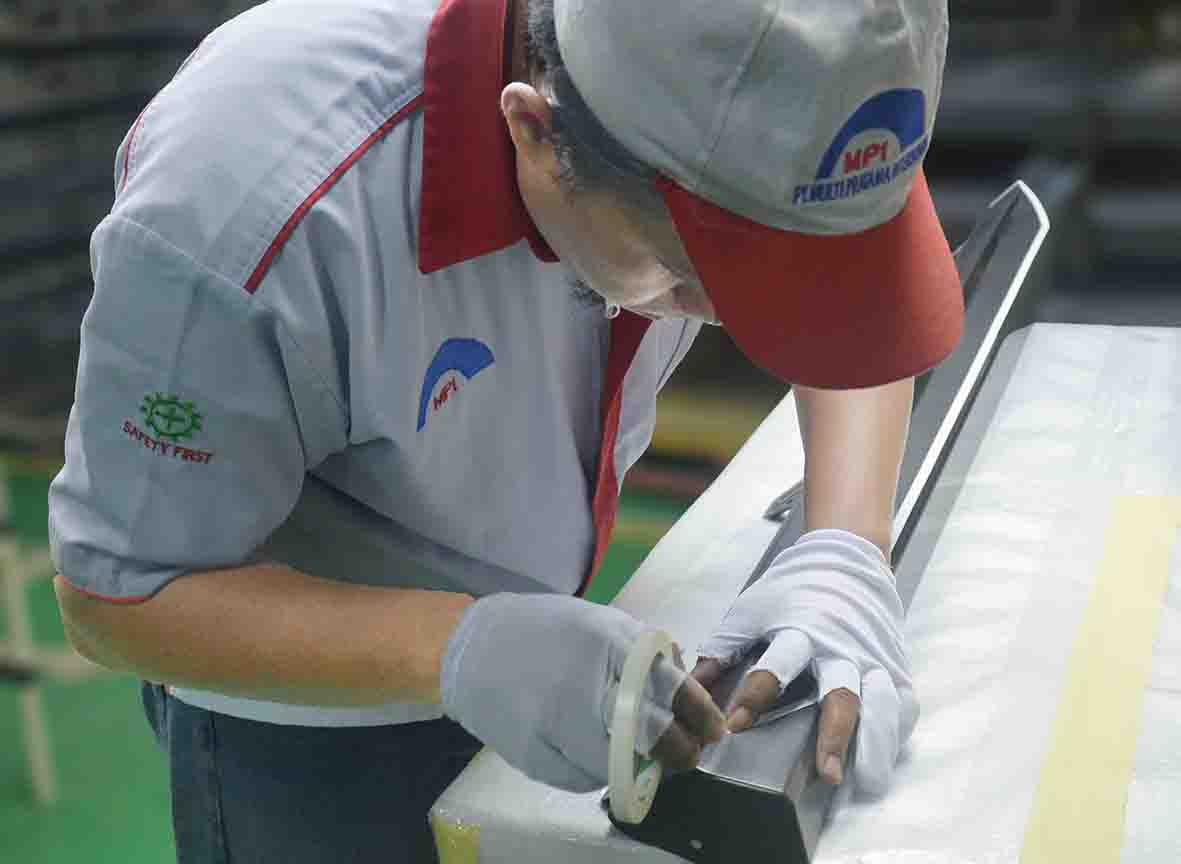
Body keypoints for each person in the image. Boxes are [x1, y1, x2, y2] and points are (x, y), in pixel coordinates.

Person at [47, 0, 963, 860]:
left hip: (536, 611)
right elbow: (119, 592)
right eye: (693, 274)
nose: (734, 323)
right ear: (534, 132)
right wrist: (455, 647)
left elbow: (844, 265)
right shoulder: (247, 206)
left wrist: (843, 546)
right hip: (307, 732)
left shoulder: (801, 61)